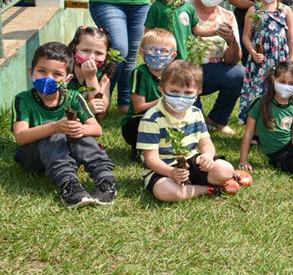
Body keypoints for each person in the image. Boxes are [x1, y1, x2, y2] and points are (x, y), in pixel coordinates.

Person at [12, 42, 116, 208]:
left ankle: (105, 180)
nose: (48, 78)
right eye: (42, 71)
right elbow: (20, 137)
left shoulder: (73, 97)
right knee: (55, 132)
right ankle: (69, 186)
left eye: (57, 74)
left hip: (68, 154)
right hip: (34, 159)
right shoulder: (23, 99)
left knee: (78, 131)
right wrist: (54, 127)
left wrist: (80, 129)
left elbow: (96, 129)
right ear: (31, 72)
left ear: (67, 79)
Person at [137, 60, 244, 202]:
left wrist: (207, 155)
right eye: (174, 91)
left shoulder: (196, 113)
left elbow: (206, 143)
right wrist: (171, 172)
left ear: (199, 91)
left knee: (225, 169)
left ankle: (209, 182)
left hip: (191, 162)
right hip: (163, 169)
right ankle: (210, 189)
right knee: (165, 191)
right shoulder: (152, 118)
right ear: (162, 89)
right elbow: (151, 159)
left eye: (188, 92)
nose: (180, 97)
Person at [189, 0, 245, 136]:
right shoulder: (184, 9)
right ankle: (194, 118)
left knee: (239, 73)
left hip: (211, 72)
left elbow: (233, 60)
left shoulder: (227, 16)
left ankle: (218, 119)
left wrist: (232, 41)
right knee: (197, 127)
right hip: (184, 70)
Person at [238, 0, 293, 123]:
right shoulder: (253, 10)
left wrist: (291, 59)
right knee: (258, 92)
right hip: (260, 61)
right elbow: (246, 36)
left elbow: (291, 37)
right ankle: (255, 127)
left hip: (280, 59)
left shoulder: (286, 10)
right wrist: (252, 52)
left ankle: (276, 122)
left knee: (278, 89)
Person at [122, 29, 176, 159]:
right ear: (142, 52)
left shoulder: (174, 74)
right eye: (152, 50)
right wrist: (165, 100)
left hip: (165, 119)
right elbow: (138, 108)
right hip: (138, 121)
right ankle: (141, 148)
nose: (157, 54)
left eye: (164, 51)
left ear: (173, 56)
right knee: (145, 121)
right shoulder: (140, 73)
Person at [144, 0, 213, 60]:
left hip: (185, 56)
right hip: (163, 56)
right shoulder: (156, 7)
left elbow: (196, 30)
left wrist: (216, 31)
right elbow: (148, 31)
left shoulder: (188, 8)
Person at [66, 26, 112, 119]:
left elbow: (101, 113)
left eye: (99, 53)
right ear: (74, 49)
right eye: (85, 51)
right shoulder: (65, 71)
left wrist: (91, 77)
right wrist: (85, 109)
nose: (91, 57)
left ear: (106, 55)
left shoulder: (103, 76)